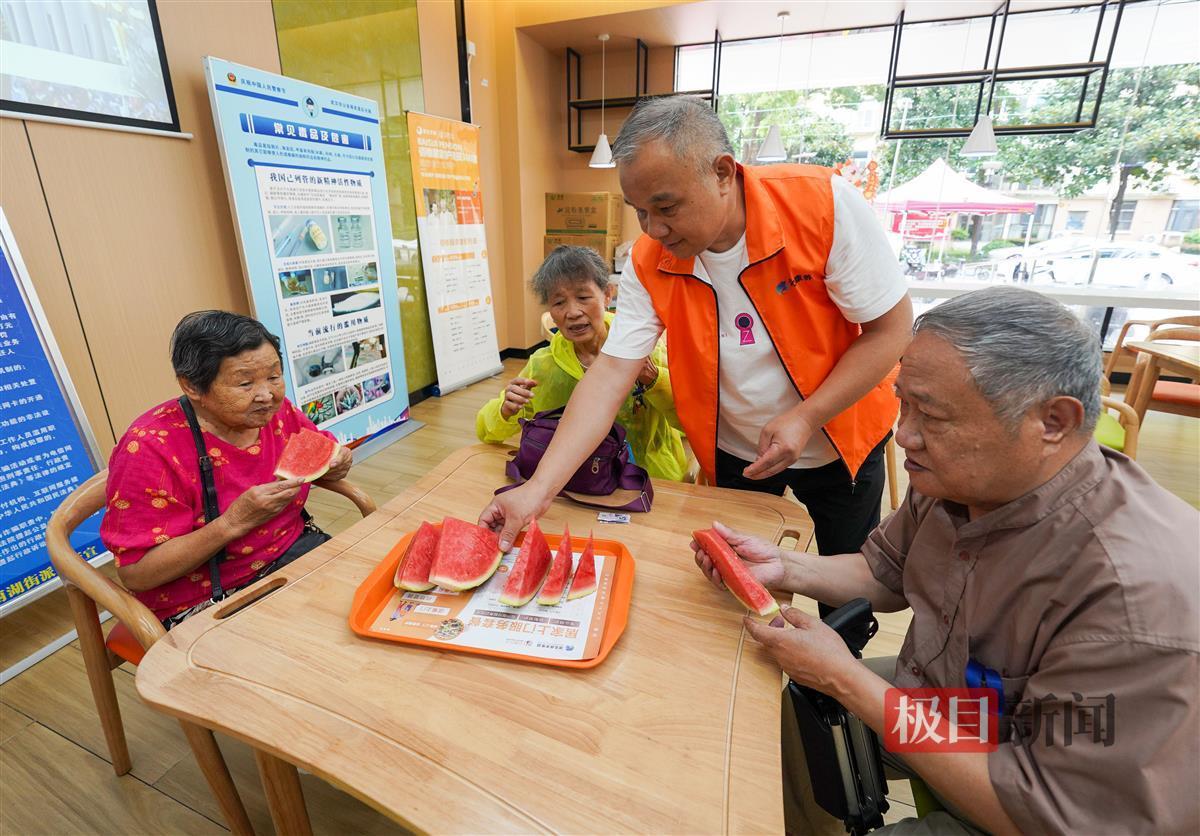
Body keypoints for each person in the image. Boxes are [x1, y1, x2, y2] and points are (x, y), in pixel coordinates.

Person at [692, 287, 1200, 835]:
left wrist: (847, 680)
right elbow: (885, 574)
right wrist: (784, 568)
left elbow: (1051, 816)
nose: (903, 434)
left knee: (826, 692)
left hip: (1042, 795)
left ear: (1052, 421)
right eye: (902, 402)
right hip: (970, 708)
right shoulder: (960, 478)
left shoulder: (1134, 597)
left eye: (931, 415)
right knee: (776, 717)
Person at [481, 96, 912, 554]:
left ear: (722, 173)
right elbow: (609, 375)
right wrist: (538, 489)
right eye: (639, 210)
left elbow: (892, 331)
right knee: (735, 586)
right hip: (733, 454)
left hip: (838, 442)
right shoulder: (650, 261)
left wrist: (806, 417)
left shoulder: (822, 205)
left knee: (845, 584)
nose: (653, 230)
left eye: (666, 208)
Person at [100, 311, 353, 629]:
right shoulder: (149, 449)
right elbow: (137, 574)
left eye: (274, 376)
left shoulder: (276, 412)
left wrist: (337, 463)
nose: (267, 395)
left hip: (294, 547)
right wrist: (233, 523)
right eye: (245, 383)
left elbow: (320, 455)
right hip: (204, 597)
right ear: (193, 385)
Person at [476, 246, 688, 481]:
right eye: (558, 303)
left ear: (608, 294)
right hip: (578, 482)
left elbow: (690, 423)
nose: (573, 312)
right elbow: (487, 431)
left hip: (650, 481)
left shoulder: (646, 348)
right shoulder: (543, 366)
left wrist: (654, 379)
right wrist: (505, 410)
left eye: (583, 297)